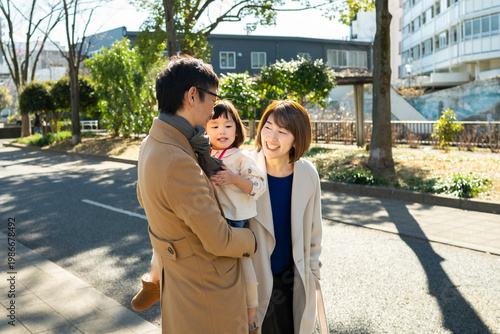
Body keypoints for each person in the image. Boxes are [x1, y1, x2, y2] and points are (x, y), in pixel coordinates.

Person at [136, 55, 257, 334]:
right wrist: (252, 238)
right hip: (207, 294)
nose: (213, 112)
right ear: (193, 95)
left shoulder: (151, 143)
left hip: (181, 284)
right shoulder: (177, 158)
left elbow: (145, 199)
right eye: (213, 100)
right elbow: (219, 239)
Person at [249, 100, 323, 334]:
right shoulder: (245, 168)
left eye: (282, 132)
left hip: (293, 278)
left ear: (296, 139)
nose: (271, 137)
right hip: (255, 279)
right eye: (268, 127)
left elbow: (314, 230)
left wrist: (313, 273)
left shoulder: (308, 173)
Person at [207, 101, 266, 332]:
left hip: (238, 225)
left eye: (228, 125)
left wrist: (234, 179)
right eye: (214, 125)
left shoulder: (241, 157)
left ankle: (250, 324)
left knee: (249, 279)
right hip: (212, 222)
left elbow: (258, 185)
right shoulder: (202, 154)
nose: (222, 131)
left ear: (237, 130)